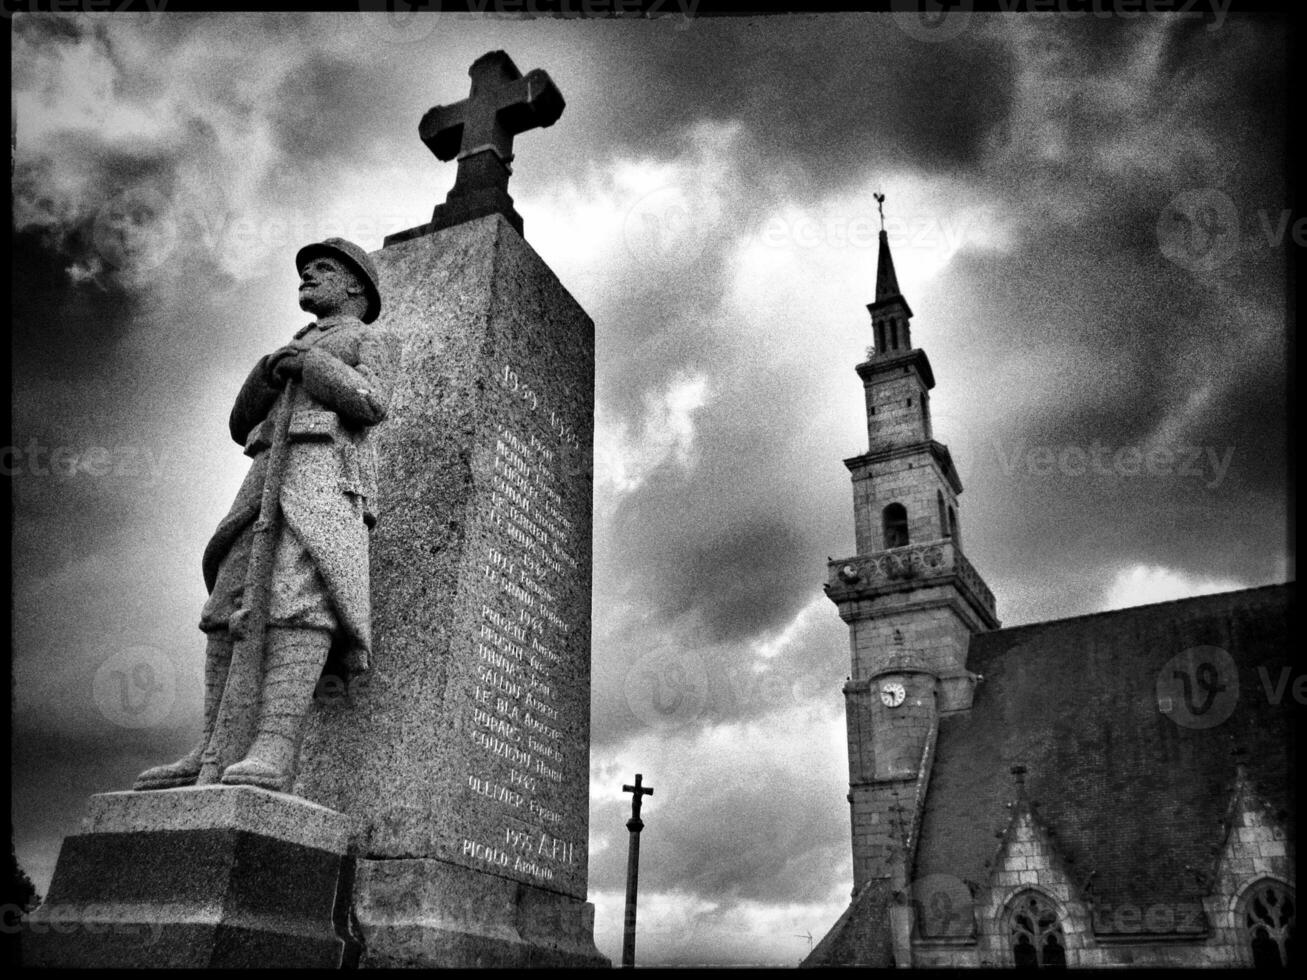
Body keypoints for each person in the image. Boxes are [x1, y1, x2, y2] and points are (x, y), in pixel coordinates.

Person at [134, 238, 393, 793]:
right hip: (264, 479)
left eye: (321, 269)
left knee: (299, 599)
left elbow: (372, 402)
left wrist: (314, 365)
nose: (307, 276)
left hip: (323, 477)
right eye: (304, 269)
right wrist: (271, 372)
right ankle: (210, 749)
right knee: (227, 601)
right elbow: (238, 423)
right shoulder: (289, 347)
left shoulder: (368, 338)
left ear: (355, 286)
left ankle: (274, 748)